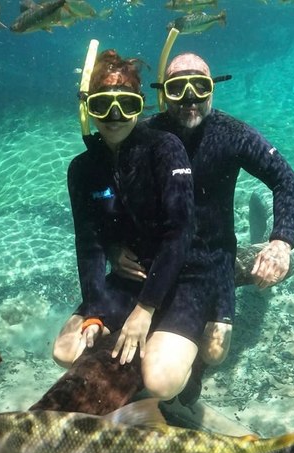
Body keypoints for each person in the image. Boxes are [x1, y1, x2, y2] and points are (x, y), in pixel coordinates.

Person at [132, 52, 294, 404]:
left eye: (200, 86)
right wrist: (114, 247)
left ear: (213, 89)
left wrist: (281, 242)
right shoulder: (146, 134)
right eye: (178, 88)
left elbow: (286, 181)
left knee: (214, 350)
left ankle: (198, 364)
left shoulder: (233, 135)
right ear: (163, 93)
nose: (190, 98)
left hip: (213, 258)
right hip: (159, 259)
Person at [52, 49, 207, 402]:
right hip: (128, 278)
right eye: (104, 105)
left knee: (162, 383)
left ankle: (191, 363)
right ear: (89, 108)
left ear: (140, 106)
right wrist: (94, 312)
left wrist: (145, 309)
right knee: (65, 350)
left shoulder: (165, 148)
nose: (115, 116)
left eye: (126, 105)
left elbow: (181, 232)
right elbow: (88, 242)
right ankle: (143, 352)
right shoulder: (82, 169)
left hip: (180, 276)